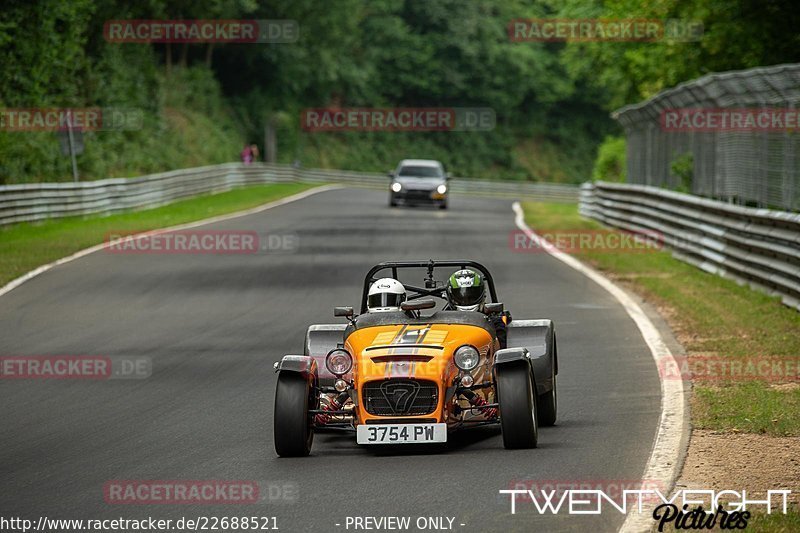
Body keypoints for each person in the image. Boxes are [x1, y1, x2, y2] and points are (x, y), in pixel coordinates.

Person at [445, 269, 511, 348]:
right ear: (450, 297)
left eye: (472, 297)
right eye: (461, 297)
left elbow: (501, 350)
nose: (467, 301)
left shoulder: (494, 320)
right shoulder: (443, 320)